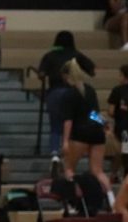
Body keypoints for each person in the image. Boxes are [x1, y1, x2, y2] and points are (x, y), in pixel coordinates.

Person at [60, 59, 113, 201]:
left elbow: (68, 120)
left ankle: (73, 201)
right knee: (98, 171)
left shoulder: (68, 94)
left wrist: (65, 141)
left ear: (66, 76)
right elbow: (94, 113)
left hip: (79, 133)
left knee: (69, 168)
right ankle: (111, 200)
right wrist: (104, 124)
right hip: (96, 131)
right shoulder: (90, 90)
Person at [38, 31, 96, 160]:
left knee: (55, 125)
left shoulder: (50, 55)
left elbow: (41, 74)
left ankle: (54, 153)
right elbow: (92, 69)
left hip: (55, 92)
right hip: (74, 92)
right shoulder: (76, 55)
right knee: (72, 122)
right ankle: (70, 151)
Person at [108, 65, 128, 177]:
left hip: (123, 129)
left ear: (124, 76)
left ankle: (115, 175)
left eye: (120, 75)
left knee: (123, 152)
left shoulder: (117, 90)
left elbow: (111, 111)